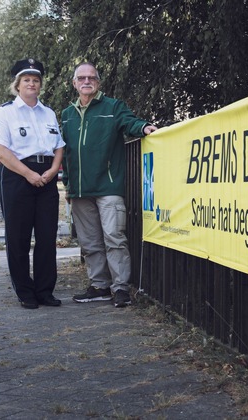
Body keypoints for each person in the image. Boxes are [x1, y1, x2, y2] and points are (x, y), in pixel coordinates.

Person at [61, 62, 157, 308]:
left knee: (114, 238)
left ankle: (121, 288)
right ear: (74, 83)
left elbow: (129, 122)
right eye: (81, 78)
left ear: (98, 82)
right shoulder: (67, 114)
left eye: (91, 77)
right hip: (80, 191)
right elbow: (66, 153)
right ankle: (99, 286)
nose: (86, 81)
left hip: (108, 187)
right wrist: (68, 186)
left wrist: (144, 127)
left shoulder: (113, 107)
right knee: (90, 243)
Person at [0, 58, 65, 309]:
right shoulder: (5, 112)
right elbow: (0, 150)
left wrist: (53, 170)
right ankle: (25, 292)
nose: (32, 83)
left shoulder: (48, 112)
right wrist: (28, 174)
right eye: (26, 80)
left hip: (47, 175)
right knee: (18, 237)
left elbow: (59, 146)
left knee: (46, 236)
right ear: (17, 85)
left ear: (40, 85)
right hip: (17, 176)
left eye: (35, 80)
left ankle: (44, 291)